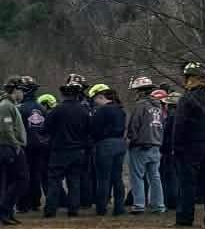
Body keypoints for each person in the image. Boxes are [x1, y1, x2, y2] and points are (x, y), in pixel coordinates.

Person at [174, 61, 205, 229]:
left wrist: (176, 146)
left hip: (190, 145)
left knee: (187, 183)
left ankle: (185, 218)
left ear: (190, 78)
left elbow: (179, 124)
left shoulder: (187, 98)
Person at [43, 74, 92, 218]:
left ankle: (50, 210)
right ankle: (73, 209)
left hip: (59, 150)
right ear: (78, 94)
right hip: (78, 151)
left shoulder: (57, 110)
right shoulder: (84, 111)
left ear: (64, 94)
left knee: (54, 181)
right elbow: (89, 131)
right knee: (74, 181)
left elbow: (45, 129)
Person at [125, 75, 166, 213]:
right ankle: (159, 205)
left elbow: (134, 125)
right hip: (156, 145)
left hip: (141, 146)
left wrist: (131, 139)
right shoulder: (158, 106)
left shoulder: (140, 105)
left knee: (137, 177)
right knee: (155, 177)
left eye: (136, 91)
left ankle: (139, 205)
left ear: (141, 91)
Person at [88, 84, 128, 216]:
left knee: (103, 179)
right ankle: (119, 208)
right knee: (117, 178)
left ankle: (101, 208)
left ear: (101, 97)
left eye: (95, 99)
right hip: (120, 144)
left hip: (105, 145)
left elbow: (94, 130)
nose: (94, 102)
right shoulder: (120, 110)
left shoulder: (101, 111)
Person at [0, 79, 28, 226]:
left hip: (11, 147)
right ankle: (3, 210)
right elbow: (6, 129)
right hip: (10, 148)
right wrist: (16, 146)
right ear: (15, 90)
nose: (23, 93)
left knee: (12, 181)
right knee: (22, 179)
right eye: (22, 90)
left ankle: (7, 213)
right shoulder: (6, 106)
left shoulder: (10, 105)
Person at [17, 75, 48, 211]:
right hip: (40, 146)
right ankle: (35, 202)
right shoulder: (42, 108)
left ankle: (24, 204)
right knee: (36, 175)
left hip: (25, 146)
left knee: (24, 174)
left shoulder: (19, 108)